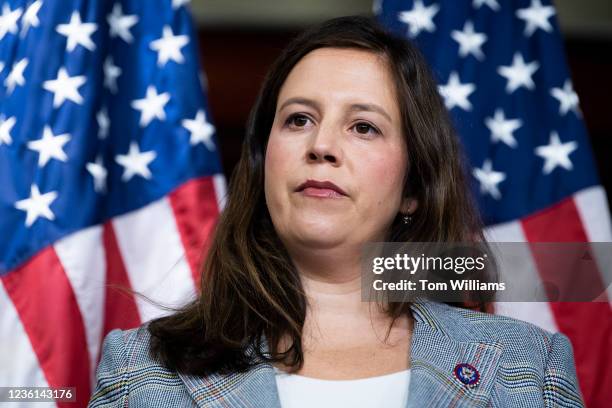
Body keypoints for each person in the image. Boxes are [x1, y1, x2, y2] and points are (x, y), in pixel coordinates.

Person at [88, 16, 584, 408]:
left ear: (412, 187)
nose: (321, 145)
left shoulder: (528, 367)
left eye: (363, 127)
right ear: (264, 166)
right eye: (299, 119)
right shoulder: (142, 370)